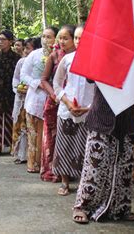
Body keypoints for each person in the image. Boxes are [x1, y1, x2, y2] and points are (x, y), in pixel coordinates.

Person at [72, 33, 134, 223]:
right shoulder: (104, 37)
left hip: (129, 112)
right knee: (96, 163)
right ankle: (83, 205)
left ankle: (121, 208)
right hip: (103, 112)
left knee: (124, 165)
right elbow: (91, 76)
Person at [52, 24, 94, 196]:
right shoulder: (67, 59)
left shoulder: (97, 60)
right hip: (66, 110)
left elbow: (102, 90)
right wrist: (67, 102)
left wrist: (88, 108)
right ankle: (64, 182)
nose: (78, 41)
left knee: (85, 149)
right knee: (64, 147)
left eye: (82, 37)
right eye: (76, 38)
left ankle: (85, 184)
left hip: (89, 111)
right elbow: (56, 83)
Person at [21, 27, 57, 173]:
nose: (45, 40)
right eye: (43, 36)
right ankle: (33, 164)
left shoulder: (59, 56)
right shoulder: (35, 55)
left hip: (54, 98)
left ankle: (49, 165)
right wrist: (37, 83)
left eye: (49, 37)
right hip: (35, 98)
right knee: (33, 133)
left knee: (49, 135)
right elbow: (24, 74)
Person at [0, 30, 21, 156]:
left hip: (9, 94)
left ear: (10, 42)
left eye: (3, 39)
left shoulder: (17, 58)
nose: (0, 42)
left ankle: (10, 145)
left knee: (9, 120)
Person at [40, 26, 64, 182]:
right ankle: (52, 169)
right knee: (51, 137)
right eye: (60, 38)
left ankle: (67, 169)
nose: (62, 41)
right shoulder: (54, 56)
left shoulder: (79, 55)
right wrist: (54, 94)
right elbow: (43, 80)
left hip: (72, 103)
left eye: (65, 38)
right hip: (54, 102)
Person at [11, 38, 39, 164]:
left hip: (33, 97)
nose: (26, 51)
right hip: (20, 97)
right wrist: (17, 88)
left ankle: (31, 156)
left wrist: (30, 88)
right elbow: (16, 78)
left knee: (30, 128)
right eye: (25, 48)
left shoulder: (41, 62)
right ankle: (20, 154)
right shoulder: (21, 62)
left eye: (28, 48)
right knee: (19, 125)